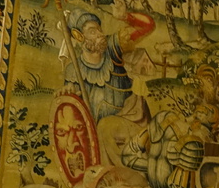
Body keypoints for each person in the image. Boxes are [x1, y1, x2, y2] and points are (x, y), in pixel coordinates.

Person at [62, 10, 154, 165]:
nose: (100, 34)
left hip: (132, 121)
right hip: (98, 138)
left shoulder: (112, 49)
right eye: (93, 31)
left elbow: (148, 26)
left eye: (99, 29)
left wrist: (125, 16)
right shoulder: (73, 70)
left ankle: (118, 171)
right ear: (79, 36)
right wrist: (68, 94)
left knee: (105, 127)